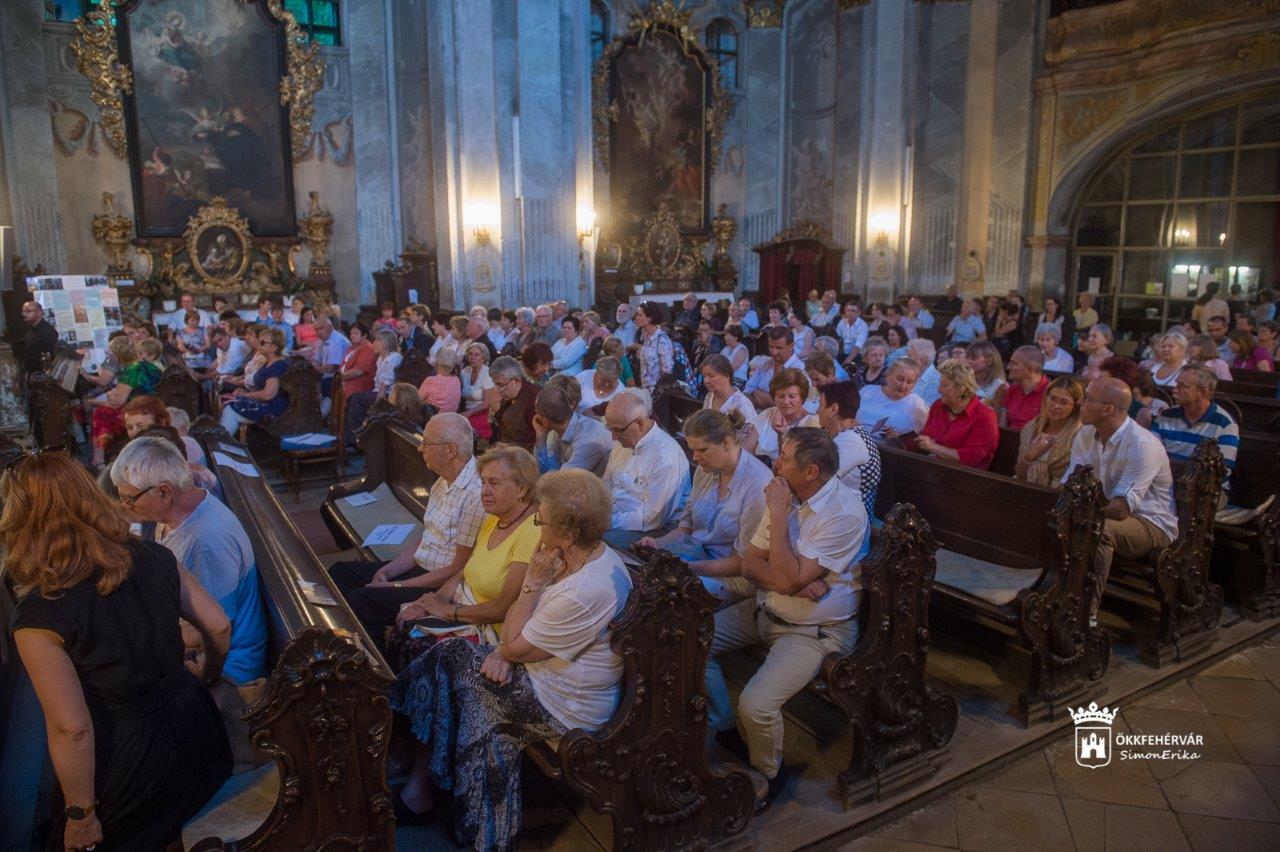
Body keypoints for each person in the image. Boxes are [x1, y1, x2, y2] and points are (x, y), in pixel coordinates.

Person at [5, 451, 233, 851]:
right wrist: (210, 675)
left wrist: (81, 816)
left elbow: (71, 729)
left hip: (134, 759)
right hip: (199, 732)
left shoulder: (38, 617)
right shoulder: (154, 554)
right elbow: (217, 625)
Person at [390, 468, 630, 847]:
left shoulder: (585, 588)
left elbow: (517, 641)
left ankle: (476, 829)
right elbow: (519, 638)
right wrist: (507, 650)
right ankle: (430, 785)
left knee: (477, 706)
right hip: (542, 672)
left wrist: (527, 596)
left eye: (542, 520)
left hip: (566, 703)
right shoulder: (567, 554)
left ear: (567, 535)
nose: (536, 524)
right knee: (449, 659)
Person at [704, 428, 863, 810]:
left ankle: (770, 774)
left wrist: (777, 515)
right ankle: (725, 727)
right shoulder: (788, 494)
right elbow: (750, 563)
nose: (776, 462)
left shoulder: (843, 512)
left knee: (756, 705)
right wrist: (790, 580)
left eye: (785, 458)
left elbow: (785, 576)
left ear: (810, 471)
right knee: (691, 641)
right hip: (767, 607)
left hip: (813, 631)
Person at [329, 414, 486, 649]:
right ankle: (345, 644)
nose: (420, 448)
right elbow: (426, 538)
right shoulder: (442, 481)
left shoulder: (475, 495)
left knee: (362, 601)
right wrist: (388, 571)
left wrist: (395, 586)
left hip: (438, 583)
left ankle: (376, 671)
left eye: (427, 443)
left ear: (450, 450)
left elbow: (457, 568)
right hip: (418, 568)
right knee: (340, 572)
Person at [387, 445, 540, 668]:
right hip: (463, 608)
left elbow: (504, 606)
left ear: (522, 489)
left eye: (494, 483)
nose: (484, 491)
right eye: (483, 482)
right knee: (405, 624)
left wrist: (449, 611)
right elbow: (463, 573)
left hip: (489, 632)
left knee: (414, 643)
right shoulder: (495, 517)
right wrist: (428, 602)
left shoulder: (532, 531)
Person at [1064, 377, 1178, 623]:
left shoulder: (1141, 444)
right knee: (1057, 517)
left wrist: (1081, 509)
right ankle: (1057, 595)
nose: (1080, 403)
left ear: (1109, 409)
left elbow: (1121, 509)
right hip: (1102, 512)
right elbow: (1069, 486)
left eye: (1088, 399)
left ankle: (1085, 615)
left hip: (1151, 522)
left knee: (1099, 530)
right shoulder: (1085, 434)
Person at [638, 407, 772, 576]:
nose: (694, 457)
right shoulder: (705, 471)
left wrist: (688, 568)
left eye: (702, 450)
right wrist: (657, 544)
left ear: (726, 442)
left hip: (730, 573)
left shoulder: (757, 484)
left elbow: (745, 561)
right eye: (692, 450)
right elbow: (686, 528)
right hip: (693, 555)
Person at [600, 391, 690, 548]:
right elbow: (607, 483)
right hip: (617, 516)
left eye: (618, 430)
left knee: (597, 543)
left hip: (654, 530)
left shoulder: (665, 457)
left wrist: (608, 521)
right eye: (610, 428)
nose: (614, 437)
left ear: (640, 423)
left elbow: (652, 519)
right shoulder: (624, 440)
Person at [1152, 364, 1239, 502]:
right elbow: (1151, 454)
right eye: (1176, 385)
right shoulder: (1166, 416)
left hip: (1208, 491)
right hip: (1165, 483)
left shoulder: (1225, 424)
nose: (1174, 390)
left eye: (1182, 386)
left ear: (1203, 393)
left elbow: (1221, 472)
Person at [87, 336, 163, 469]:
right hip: (155, 409)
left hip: (138, 413)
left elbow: (118, 402)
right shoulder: (152, 367)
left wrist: (98, 400)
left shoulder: (132, 370)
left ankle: (98, 460)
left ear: (118, 355)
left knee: (102, 413)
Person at [815, 380, 880, 522]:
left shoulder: (852, 440)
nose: (817, 411)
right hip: (839, 512)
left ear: (833, 409)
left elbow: (819, 479)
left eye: (820, 405)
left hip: (852, 524)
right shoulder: (842, 433)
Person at [915, 359, 1000, 469]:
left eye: (944, 385)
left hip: (964, 476)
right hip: (933, 466)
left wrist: (933, 447)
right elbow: (927, 435)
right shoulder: (939, 406)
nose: (939, 389)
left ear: (961, 388)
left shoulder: (985, 415)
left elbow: (972, 458)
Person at [219, 326, 289, 435]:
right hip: (264, 403)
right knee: (229, 401)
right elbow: (260, 388)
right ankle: (224, 443)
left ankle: (223, 444)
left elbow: (268, 394)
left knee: (231, 409)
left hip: (273, 408)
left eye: (262, 342)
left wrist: (245, 395)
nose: (259, 344)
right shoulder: (268, 362)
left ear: (274, 347)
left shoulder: (278, 365)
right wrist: (245, 392)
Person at [1015, 376, 1084, 486]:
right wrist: (1028, 457)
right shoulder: (1032, 427)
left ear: (1075, 406)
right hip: (1024, 487)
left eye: (1064, 402)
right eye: (1052, 398)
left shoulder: (1079, 436)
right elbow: (1019, 475)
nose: (1056, 406)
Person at [533, 380, 613, 476]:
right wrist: (541, 435)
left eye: (537, 412)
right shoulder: (558, 429)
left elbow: (562, 481)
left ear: (545, 420)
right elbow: (544, 469)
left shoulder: (588, 440)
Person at [345, 329, 404, 445]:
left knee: (357, 399)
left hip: (388, 395)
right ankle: (357, 436)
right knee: (355, 397)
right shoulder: (381, 358)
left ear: (385, 343)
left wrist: (377, 403)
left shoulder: (393, 358)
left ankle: (353, 438)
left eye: (377, 340)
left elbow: (384, 386)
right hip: (378, 391)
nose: (374, 343)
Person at [753, 368, 821, 462]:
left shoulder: (812, 424)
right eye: (780, 396)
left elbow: (789, 464)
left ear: (802, 398)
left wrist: (781, 434)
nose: (786, 402)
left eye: (792, 396)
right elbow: (747, 449)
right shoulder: (769, 413)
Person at [856, 359, 929, 438]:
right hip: (855, 441)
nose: (903, 386)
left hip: (888, 449)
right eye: (900, 379)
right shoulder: (867, 391)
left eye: (909, 382)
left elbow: (924, 435)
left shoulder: (915, 403)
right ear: (888, 375)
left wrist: (900, 437)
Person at [122, 394, 204, 464]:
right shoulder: (131, 451)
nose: (134, 432)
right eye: (130, 427)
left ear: (161, 423)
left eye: (141, 426)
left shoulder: (186, 444)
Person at [701, 353, 759, 449]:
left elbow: (750, 441)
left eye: (711, 376)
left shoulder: (742, 404)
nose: (706, 381)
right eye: (704, 376)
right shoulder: (710, 396)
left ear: (726, 376)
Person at [745, 327, 805, 408]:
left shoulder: (800, 370)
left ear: (791, 345)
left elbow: (793, 406)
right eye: (771, 346)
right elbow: (746, 393)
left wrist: (758, 393)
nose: (774, 352)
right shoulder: (764, 363)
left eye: (779, 348)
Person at [491, 355, 540, 451]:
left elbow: (533, 441)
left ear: (516, 380)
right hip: (504, 448)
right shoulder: (510, 394)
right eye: (495, 384)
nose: (498, 390)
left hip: (520, 456)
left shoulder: (534, 398)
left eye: (501, 385)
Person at [1001, 345, 1050, 431]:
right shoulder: (1013, 388)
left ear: (1030, 370)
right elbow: (1003, 425)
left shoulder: (1050, 393)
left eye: (1014, 364)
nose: (1008, 367)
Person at [459, 341, 497, 439]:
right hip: (466, 412)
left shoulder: (487, 373)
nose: (473, 357)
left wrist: (467, 413)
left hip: (482, 413)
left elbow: (487, 403)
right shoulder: (465, 371)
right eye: (470, 354)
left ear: (484, 358)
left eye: (477, 355)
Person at [634, 303, 675, 390]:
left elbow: (667, 371)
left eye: (640, 315)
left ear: (650, 318)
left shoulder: (662, 340)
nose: (636, 318)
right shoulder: (644, 336)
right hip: (645, 390)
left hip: (657, 393)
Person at [418, 346, 462, 415]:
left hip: (431, 420)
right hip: (450, 418)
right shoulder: (456, 380)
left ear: (437, 362)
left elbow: (417, 401)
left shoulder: (431, 380)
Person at [340, 321, 379, 396]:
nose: (352, 336)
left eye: (356, 333)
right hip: (344, 383)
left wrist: (339, 377)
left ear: (364, 335)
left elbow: (358, 371)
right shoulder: (352, 348)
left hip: (358, 387)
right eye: (351, 333)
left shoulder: (368, 348)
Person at [908, 338, 941, 406]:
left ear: (921, 360)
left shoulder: (937, 381)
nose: (905, 360)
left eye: (909, 357)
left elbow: (926, 410)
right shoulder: (912, 374)